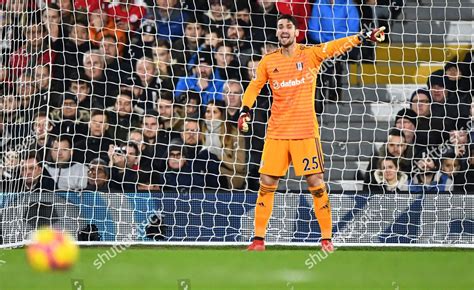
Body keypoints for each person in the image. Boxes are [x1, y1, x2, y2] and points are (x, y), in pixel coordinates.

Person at [238, 14, 385, 252]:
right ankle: (258, 240)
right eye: (280, 27)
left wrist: (363, 36)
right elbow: (254, 86)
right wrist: (245, 110)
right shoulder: (268, 61)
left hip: (305, 132)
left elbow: (337, 46)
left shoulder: (311, 54)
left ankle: (326, 239)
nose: (284, 30)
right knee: (266, 183)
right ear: (276, 33)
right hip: (277, 133)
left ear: (296, 32)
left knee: (316, 183)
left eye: (288, 27)